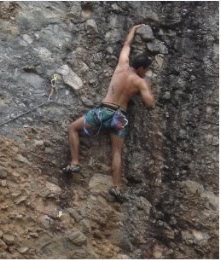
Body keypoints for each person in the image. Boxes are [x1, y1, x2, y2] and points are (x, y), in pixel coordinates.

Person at [62, 24, 156, 201]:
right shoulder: (140, 81)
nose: (147, 72)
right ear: (142, 69)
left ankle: (75, 163)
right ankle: (116, 187)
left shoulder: (122, 66)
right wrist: (147, 87)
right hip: (119, 117)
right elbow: (150, 104)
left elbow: (126, 46)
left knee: (73, 128)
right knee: (116, 152)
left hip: (104, 111)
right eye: (147, 69)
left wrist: (134, 29)